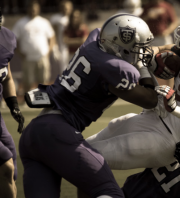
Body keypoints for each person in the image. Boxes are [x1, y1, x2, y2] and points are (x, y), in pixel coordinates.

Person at [86, 1, 180, 170]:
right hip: (156, 117)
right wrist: (147, 54)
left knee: (86, 157)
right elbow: (170, 48)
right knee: (80, 148)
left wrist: (175, 109)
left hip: (170, 137)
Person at [19, 14, 159, 198]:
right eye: (137, 48)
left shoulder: (93, 43)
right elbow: (151, 99)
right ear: (120, 47)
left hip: (34, 133)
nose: (140, 52)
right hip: (57, 132)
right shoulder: (114, 69)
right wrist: (143, 67)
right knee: (109, 192)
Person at [0, 10, 25, 198]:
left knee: (12, 167)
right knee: (6, 166)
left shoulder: (6, 38)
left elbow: (7, 76)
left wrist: (14, 105)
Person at [12, 0, 55, 95]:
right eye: (31, 8)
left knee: (44, 80)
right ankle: (27, 101)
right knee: (27, 81)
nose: (33, 10)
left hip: (42, 57)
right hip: (28, 58)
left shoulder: (44, 22)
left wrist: (49, 51)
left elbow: (52, 37)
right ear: (28, 9)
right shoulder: (21, 23)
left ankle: (44, 100)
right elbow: (14, 39)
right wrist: (19, 51)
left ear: (38, 9)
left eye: (35, 8)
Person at [141, 0, 178, 87]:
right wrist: (148, 16)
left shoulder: (166, 6)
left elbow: (174, 21)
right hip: (150, 38)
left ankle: (171, 87)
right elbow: (140, 21)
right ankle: (153, 86)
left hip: (163, 38)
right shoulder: (148, 6)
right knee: (149, 61)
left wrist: (167, 31)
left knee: (169, 61)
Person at [50, 0, 73, 75]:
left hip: (73, 46)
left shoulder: (74, 18)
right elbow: (53, 34)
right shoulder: (56, 18)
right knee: (64, 69)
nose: (65, 10)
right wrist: (55, 47)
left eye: (67, 8)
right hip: (62, 46)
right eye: (64, 8)